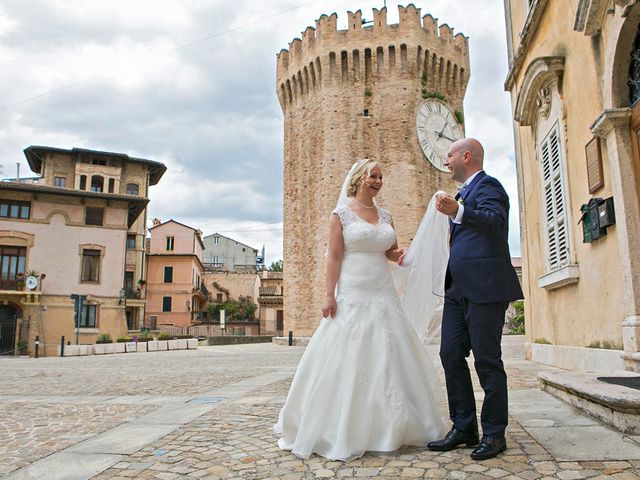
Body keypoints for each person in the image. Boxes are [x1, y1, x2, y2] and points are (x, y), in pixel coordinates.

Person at [273, 159, 446, 461]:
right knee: (346, 353)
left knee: (390, 353)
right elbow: (334, 258)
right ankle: (336, 427)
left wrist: (402, 256)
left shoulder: (386, 215)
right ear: (358, 179)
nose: (378, 181)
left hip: (383, 292)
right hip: (353, 291)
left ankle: (395, 425)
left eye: (381, 177)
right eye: (373, 176)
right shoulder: (340, 215)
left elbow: (389, 251)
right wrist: (329, 295)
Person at [428, 138, 523, 460]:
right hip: (457, 290)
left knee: (487, 361)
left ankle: (495, 434)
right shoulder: (462, 194)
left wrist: (460, 211)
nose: (446, 160)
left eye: (450, 154)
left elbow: (496, 224)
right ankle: (464, 427)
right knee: (450, 354)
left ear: (466, 156)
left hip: (485, 288)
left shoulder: (488, 186)